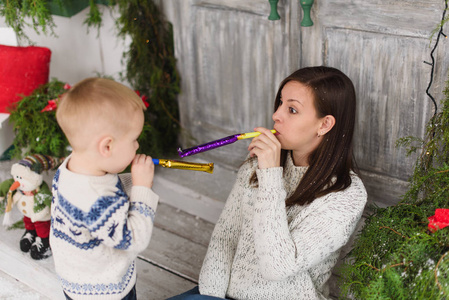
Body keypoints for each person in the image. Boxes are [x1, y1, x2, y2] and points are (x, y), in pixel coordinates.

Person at [168, 66, 367, 300]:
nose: (276, 115)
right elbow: (226, 237)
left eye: (292, 109)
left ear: (324, 125)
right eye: (280, 103)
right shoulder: (258, 165)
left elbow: (277, 267)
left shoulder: (347, 195)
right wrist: (210, 297)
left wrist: (271, 176)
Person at [50, 78, 159, 300]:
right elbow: (133, 239)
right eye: (134, 140)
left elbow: (108, 187)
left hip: (77, 280)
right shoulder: (96, 201)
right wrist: (142, 189)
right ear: (107, 146)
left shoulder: (71, 169)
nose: (137, 145)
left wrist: (134, 180)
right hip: (105, 290)